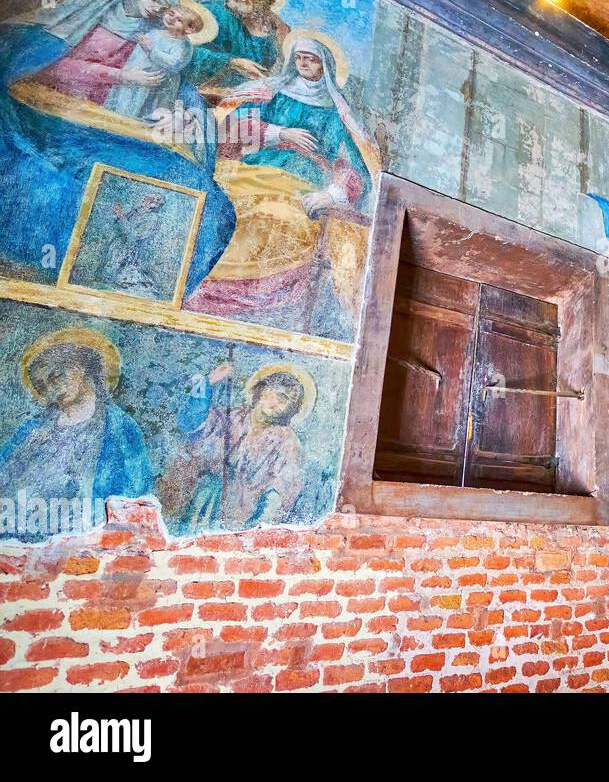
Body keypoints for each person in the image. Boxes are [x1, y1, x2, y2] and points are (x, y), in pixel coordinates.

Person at [0, 0, 236, 289]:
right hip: (50, 113)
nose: (160, 11)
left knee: (194, 186)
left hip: (113, 119)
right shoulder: (87, 21)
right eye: (154, 0)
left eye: (167, 7)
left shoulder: (151, 36)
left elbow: (174, 72)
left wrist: (189, 112)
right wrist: (121, 75)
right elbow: (53, 68)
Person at [183, 34, 379, 333]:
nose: (304, 63)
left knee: (282, 218)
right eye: (300, 57)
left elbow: (352, 166)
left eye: (311, 59)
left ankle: (239, 299)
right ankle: (204, 289)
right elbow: (235, 127)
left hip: (303, 177)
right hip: (257, 166)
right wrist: (280, 133)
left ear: (324, 65)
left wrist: (332, 193)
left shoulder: (336, 112)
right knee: (226, 207)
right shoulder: (272, 92)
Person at [0, 329, 150, 539]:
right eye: (42, 384)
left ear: (84, 366)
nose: (52, 387)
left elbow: (136, 493)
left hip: (88, 538)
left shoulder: (119, 427)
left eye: (57, 375)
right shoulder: (32, 429)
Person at [157, 362, 313, 533]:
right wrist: (209, 383)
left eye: (289, 403)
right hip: (203, 505)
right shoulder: (230, 417)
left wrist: (260, 528)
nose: (279, 405)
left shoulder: (286, 441)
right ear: (262, 390)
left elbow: (283, 488)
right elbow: (190, 422)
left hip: (241, 518)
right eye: (279, 396)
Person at [184, 0, 289, 98]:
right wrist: (231, 62)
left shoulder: (277, 31)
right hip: (195, 95)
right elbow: (181, 46)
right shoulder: (213, 12)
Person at [103, 3, 207, 120]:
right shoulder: (154, 33)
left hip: (157, 83)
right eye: (171, 14)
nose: (171, 19)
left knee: (142, 111)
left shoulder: (184, 45)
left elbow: (175, 63)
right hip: (136, 75)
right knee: (122, 101)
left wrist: (151, 49)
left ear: (189, 29)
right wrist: (131, 68)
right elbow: (137, 55)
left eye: (179, 20)